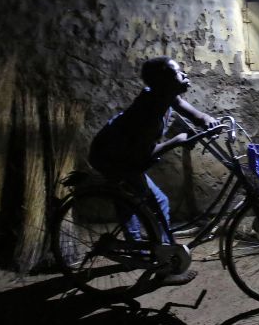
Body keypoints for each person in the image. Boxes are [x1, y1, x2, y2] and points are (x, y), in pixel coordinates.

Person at [88, 56, 218, 284]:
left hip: (117, 153)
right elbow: (143, 155)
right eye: (179, 73)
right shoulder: (147, 114)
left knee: (134, 201)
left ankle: (136, 253)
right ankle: (164, 267)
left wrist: (204, 118)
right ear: (163, 82)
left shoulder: (162, 95)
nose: (185, 75)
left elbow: (180, 104)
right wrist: (175, 141)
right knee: (154, 204)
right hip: (113, 158)